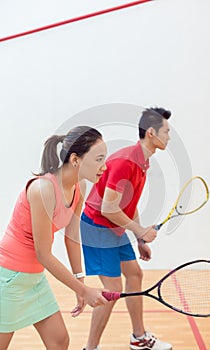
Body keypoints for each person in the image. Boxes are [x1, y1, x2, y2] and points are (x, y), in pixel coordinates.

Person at [0, 126, 109, 350]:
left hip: (34, 279)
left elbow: (71, 236)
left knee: (59, 341)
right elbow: (43, 253)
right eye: (98, 159)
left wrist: (80, 280)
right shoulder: (43, 190)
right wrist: (83, 292)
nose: (104, 166)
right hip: (8, 278)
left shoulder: (80, 186)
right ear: (76, 159)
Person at [80, 107, 173, 350]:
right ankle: (90, 348)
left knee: (135, 275)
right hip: (98, 227)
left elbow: (127, 204)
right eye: (166, 131)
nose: (169, 137)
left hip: (115, 228)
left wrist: (138, 236)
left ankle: (138, 337)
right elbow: (108, 209)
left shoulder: (142, 161)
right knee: (112, 289)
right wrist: (141, 231)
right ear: (151, 133)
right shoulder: (125, 162)